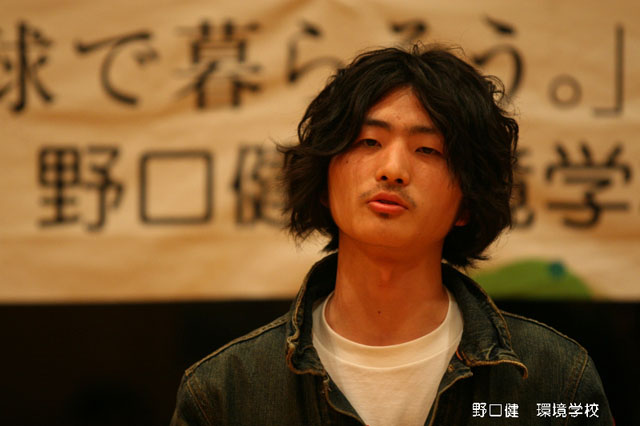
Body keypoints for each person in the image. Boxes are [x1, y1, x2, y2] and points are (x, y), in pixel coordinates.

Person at [170, 45, 613, 425]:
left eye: (427, 149)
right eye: (369, 142)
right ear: (324, 180)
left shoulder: (555, 381)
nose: (393, 169)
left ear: (467, 202)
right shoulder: (226, 392)